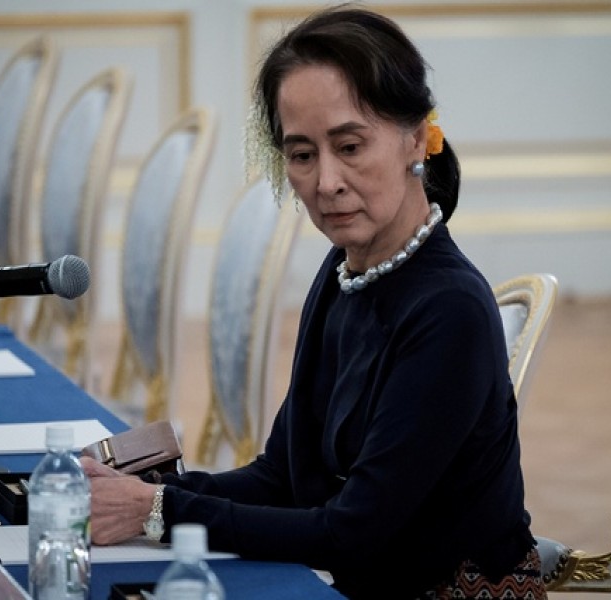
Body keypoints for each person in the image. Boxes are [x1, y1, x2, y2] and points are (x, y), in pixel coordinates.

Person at [81, 5, 547, 598]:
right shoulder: (342, 271)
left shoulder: (448, 310)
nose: (326, 182)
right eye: (302, 155)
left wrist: (158, 511)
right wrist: (127, 494)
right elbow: (282, 477)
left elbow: (353, 531)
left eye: (349, 146)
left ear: (415, 139)